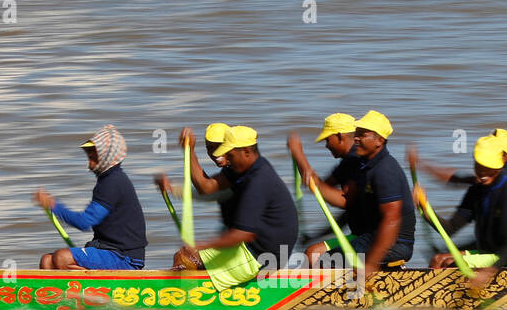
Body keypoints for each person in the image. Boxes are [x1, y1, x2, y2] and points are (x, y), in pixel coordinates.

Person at [174, 126, 298, 284]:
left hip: (261, 257)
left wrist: (203, 245)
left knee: (184, 257)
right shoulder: (248, 168)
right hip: (257, 249)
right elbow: (206, 187)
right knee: (194, 259)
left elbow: (243, 234)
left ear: (246, 151)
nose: (225, 159)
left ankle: (180, 302)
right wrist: (189, 150)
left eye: (230, 155)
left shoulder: (258, 181)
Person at [305, 110, 415, 275]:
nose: (356, 138)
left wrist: (369, 264)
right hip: (372, 237)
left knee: (326, 262)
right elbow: (350, 207)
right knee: (323, 259)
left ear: (379, 140)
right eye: (356, 134)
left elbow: (391, 220)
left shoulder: (385, 170)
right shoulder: (367, 167)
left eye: (362, 135)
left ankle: (334, 298)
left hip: (396, 244)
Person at [411, 134, 507, 271]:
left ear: (503, 160)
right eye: (479, 166)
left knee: (449, 263)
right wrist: (425, 208)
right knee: (438, 259)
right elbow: (450, 228)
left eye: (488, 166)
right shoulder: (477, 189)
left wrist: (487, 272)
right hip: (490, 251)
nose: (482, 173)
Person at [33, 125, 146, 270]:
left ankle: (91, 285)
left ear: (107, 154)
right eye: (88, 150)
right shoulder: (107, 180)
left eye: (94, 150)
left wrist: (53, 205)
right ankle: (49, 292)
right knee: (47, 261)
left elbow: (84, 222)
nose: (89, 154)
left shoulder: (113, 181)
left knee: (61, 257)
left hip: (124, 257)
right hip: (105, 250)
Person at [289, 113, 359, 205]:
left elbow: (345, 201)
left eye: (327, 140)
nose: (327, 145)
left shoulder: (356, 159)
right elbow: (322, 187)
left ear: (339, 136)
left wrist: (298, 152)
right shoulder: (347, 161)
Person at [412, 127, 507, 184]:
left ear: (505, 156)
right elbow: (457, 179)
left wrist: (421, 164)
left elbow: (460, 179)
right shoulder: (489, 176)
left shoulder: (506, 180)